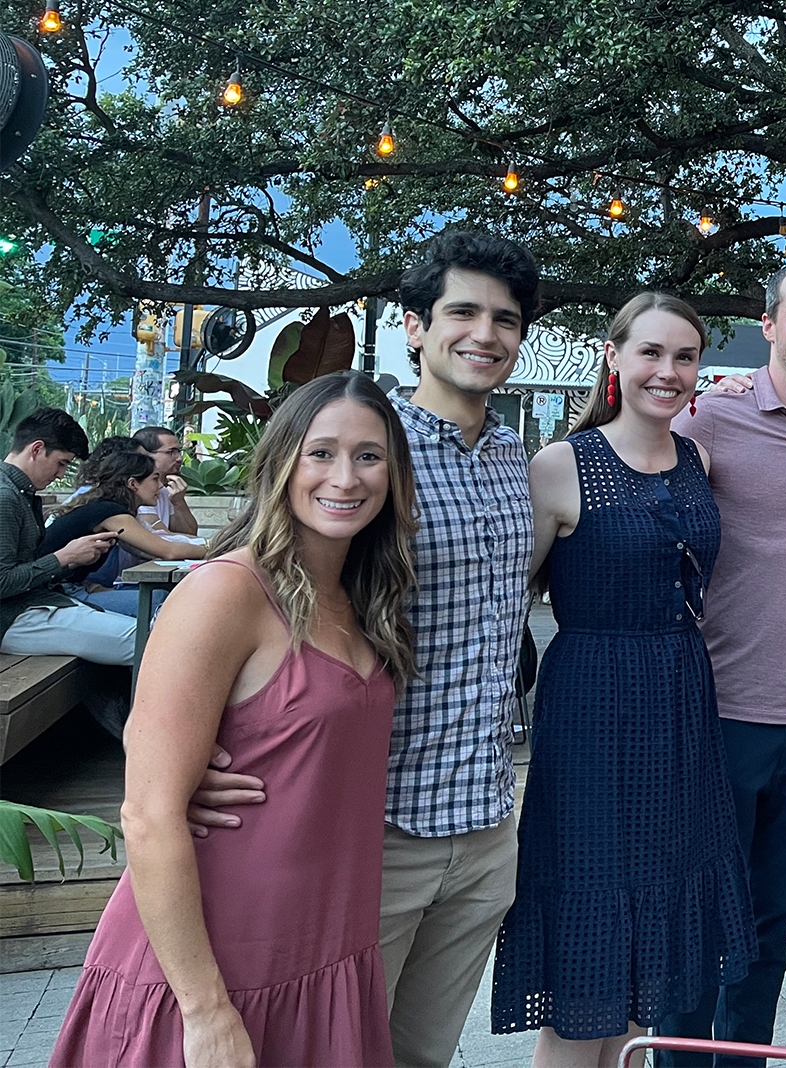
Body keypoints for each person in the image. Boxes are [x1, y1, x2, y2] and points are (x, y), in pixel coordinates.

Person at [187, 231, 543, 1067]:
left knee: (421, 1055)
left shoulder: (512, 460)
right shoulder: (365, 454)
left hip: (486, 823)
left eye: (506, 319)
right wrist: (179, 751)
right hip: (367, 828)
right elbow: (252, 585)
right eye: (461, 312)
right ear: (416, 327)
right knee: (329, 1053)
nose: (484, 334)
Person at [51, 370, 418, 1067]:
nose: (346, 476)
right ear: (281, 462)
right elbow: (150, 814)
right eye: (321, 452)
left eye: (369, 456)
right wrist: (206, 1009)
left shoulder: (368, 598)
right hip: (213, 967)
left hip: (326, 946)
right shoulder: (226, 592)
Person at [491, 291, 756, 1068]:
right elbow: (509, 605)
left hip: (680, 700)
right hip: (593, 710)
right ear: (614, 356)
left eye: (685, 356)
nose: (667, 371)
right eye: (651, 353)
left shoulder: (699, 459)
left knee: (646, 959)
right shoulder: (560, 465)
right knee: (588, 946)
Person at [657, 260, 786, 1067]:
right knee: (701, 916)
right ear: (770, 324)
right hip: (720, 712)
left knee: (773, 920)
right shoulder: (709, 419)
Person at [0, 408, 133, 666]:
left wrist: (74, 560)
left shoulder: (21, 493)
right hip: (11, 618)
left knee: (141, 635)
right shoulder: (5, 497)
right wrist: (63, 558)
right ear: (37, 449)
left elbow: (27, 571)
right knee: (141, 639)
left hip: (31, 606)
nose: (61, 474)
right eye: (62, 463)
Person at [44, 448, 205, 615]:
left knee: (161, 595)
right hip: (55, 594)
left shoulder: (107, 507)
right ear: (133, 484)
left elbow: (148, 550)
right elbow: (168, 551)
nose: (160, 485)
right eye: (155, 479)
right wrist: (214, 548)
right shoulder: (110, 512)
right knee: (157, 600)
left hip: (75, 587)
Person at [132, 425, 201, 537]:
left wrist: (179, 502)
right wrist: (209, 545)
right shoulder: (137, 489)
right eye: (171, 452)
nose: (179, 458)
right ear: (145, 454)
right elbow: (162, 539)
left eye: (179, 452)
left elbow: (189, 533)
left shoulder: (165, 490)